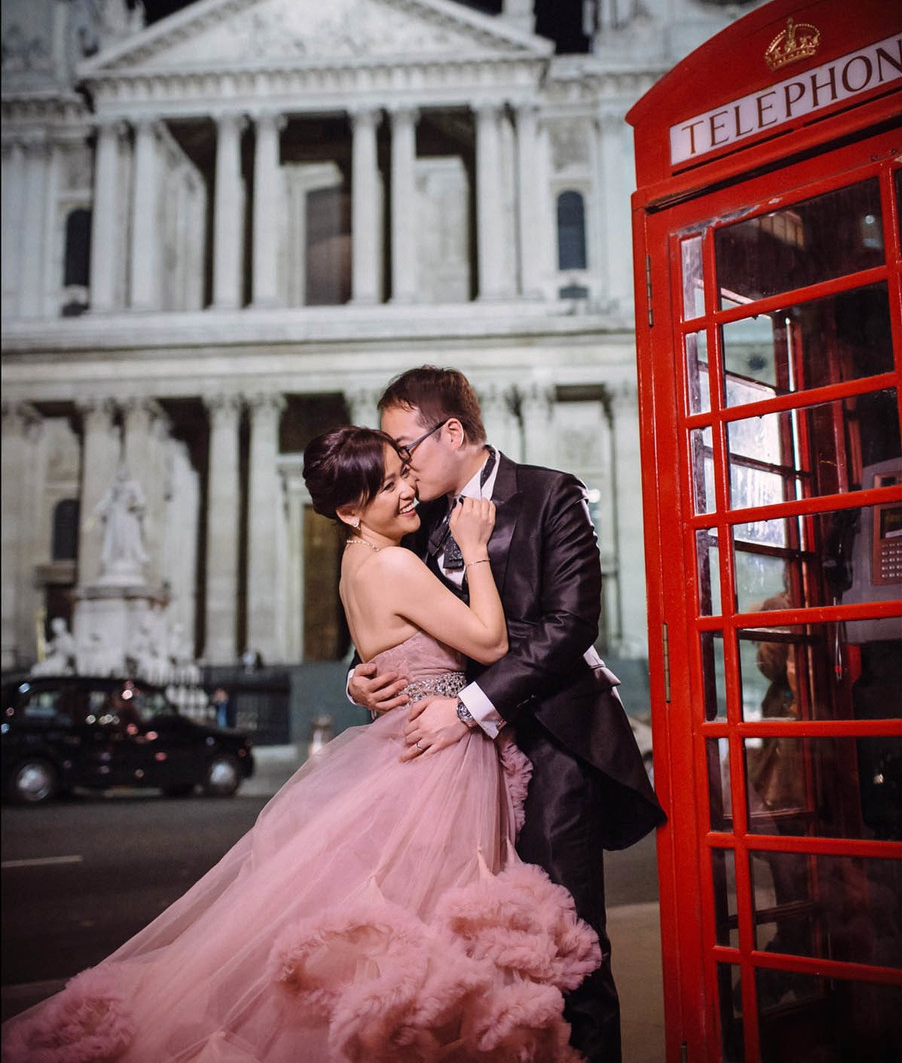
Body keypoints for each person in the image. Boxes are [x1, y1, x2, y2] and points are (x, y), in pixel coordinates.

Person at [3, 427, 600, 1063]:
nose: (410, 494)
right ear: (349, 509)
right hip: (439, 760)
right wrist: (475, 550)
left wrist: (359, 680)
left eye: (404, 474)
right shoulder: (396, 562)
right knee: (430, 931)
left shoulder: (356, 562)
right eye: (391, 485)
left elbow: (391, 650)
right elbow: (490, 644)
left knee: (404, 930)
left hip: (410, 743)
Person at [349, 366, 667, 1063]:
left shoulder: (552, 494)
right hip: (454, 772)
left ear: (453, 432)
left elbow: (570, 625)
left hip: (552, 745)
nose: (399, 468)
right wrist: (359, 680)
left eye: (406, 448)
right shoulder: (419, 515)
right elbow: (393, 619)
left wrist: (466, 707)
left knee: (564, 947)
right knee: (473, 955)